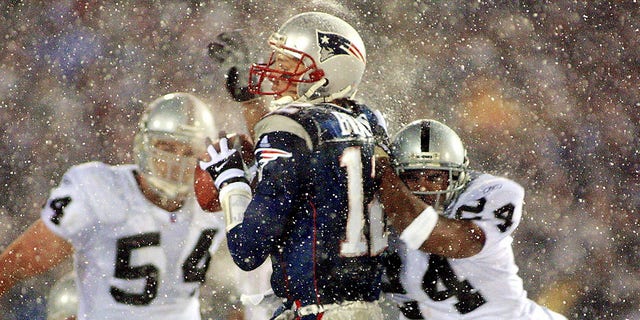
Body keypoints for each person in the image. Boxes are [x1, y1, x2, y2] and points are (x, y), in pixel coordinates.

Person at [199, 12, 391, 320]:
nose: (273, 71)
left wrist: (230, 178)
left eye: (287, 64)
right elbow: (312, 158)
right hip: (368, 308)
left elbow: (247, 250)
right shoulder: (370, 122)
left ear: (329, 72)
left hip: (318, 311)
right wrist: (248, 100)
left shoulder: (290, 128)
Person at [0, 92, 230, 320]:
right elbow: (18, 262)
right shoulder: (99, 190)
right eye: (166, 147)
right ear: (144, 145)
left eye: (188, 151)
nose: (176, 161)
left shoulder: (219, 195)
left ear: (206, 156)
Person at [380, 119, 567, 319]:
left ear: (456, 177)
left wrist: (383, 173)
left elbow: (452, 240)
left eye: (434, 178)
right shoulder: (380, 211)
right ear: (398, 176)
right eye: (412, 177)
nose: (423, 188)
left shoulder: (490, 192)